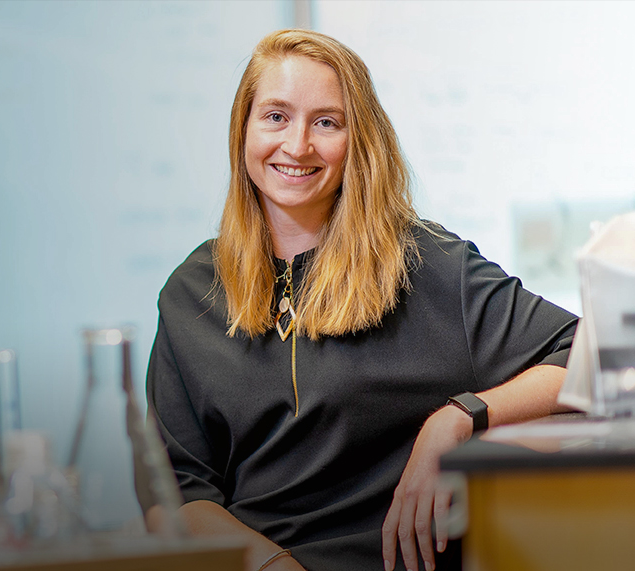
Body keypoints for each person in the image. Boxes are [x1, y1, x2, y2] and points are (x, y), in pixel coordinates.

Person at [146, 29, 576, 571]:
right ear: (243, 130)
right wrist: (274, 566)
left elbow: (591, 356)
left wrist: (458, 418)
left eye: (326, 122)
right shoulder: (191, 291)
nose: (297, 145)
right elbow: (176, 494)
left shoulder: (428, 264)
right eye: (275, 116)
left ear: (359, 140)